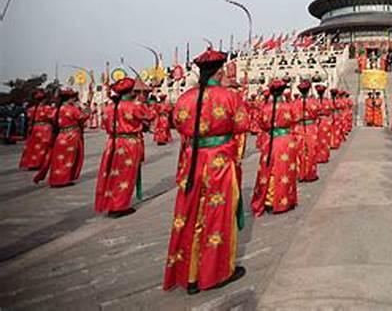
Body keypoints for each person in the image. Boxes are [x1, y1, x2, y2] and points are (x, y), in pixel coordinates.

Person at [163, 48, 250, 294]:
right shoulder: (230, 96)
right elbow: (244, 123)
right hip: (219, 162)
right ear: (220, 71)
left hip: (192, 161)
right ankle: (215, 272)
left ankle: (188, 275)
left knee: (189, 214)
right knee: (217, 214)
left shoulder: (185, 98)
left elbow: (178, 123)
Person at [95, 77, 156, 217]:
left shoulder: (108, 107)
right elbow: (150, 115)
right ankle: (119, 206)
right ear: (131, 91)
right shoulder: (134, 106)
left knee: (111, 173)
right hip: (129, 143)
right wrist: (150, 103)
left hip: (113, 142)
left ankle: (110, 203)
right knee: (125, 175)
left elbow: (105, 125)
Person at [251, 79, 299, 216]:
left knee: (269, 169)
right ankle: (284, 199)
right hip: (286, 141)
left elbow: (260, 124)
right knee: (285, 169)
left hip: (270, 140)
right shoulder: (289, 106)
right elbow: (295, 119)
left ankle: (269, 200)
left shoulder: (264, 108)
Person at [34, 88, 88, 187]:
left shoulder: (57, 109)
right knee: (68, 159)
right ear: (70, 98)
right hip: (71, 136)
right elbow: (82, 117)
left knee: (58, 159)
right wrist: (87, 110)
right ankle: (63, 180)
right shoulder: (72, 109)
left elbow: (52, 119)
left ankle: (55, 179)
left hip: (60, 136)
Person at [18, 90, 53, 170]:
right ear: (44, 99)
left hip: (34, 129)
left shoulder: (31, 109)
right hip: (45, 129)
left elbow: (28, 118)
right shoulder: (47, 108)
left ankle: (32, 163)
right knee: (43, 146)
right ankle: (41, 163)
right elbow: (52, 117)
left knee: (33, 147)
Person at [294, 80, 319, 182]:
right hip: (310, 127)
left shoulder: (295, 103)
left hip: (299, 127)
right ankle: (310, 173)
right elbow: (317, 112)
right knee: (311, 151)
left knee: (299, 151)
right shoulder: (313, 102)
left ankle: (300, 173)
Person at [315, 84, 332, 163]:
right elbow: (330, 110)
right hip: (325, 121)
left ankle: (318, 157)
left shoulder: (315, 102)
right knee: (325, 139)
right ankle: (324, 156)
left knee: (317, 140)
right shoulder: (327, 101)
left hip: (317, 121)